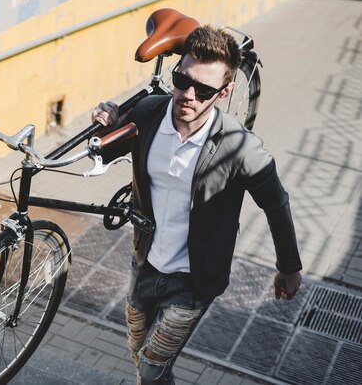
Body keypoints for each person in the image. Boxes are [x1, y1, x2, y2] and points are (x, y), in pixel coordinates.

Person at [91, 25, 302, 384]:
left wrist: (288, 266)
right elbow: (106, 151)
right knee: (139, 354)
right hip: (144, 262)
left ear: (225, 91)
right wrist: (103, 124)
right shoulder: (148, 113)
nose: (187, 94)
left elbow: (276, 203)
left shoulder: (240, 148)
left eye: (203, 89)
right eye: (181, 80)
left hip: (194, 279)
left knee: (152, 367)